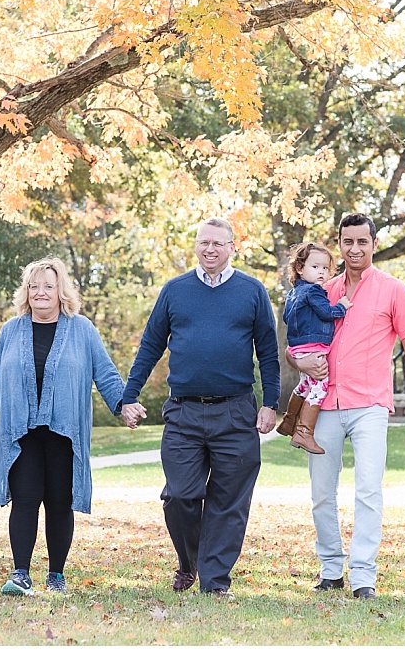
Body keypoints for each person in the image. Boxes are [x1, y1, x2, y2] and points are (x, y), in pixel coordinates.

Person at [119, 217, 280, 597]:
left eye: (218, 243)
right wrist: (130, 394)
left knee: (229, 503)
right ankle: (189, 561)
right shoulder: (175, 290)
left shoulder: (252, 291)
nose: (210, 249)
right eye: (204, 242)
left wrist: (271, 403)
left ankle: (215, 582)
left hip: (236, 411)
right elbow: (151, 345)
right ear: (195, 246)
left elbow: (269, 353)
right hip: (184, 412)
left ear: (232, 248)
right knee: (179, 495)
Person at [288, 213, 405, 599]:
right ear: (339, 245)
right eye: (348, 242)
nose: (354, 249)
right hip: (324, 405)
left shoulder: (393, 290)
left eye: (362, 241)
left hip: (370, 405)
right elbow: (296, 343)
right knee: (322, 492)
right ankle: (330, 569)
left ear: (374, 243)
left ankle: (362, 576)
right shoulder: (321, 290)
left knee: (368, 491)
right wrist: (297, 362)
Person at [0, 257, 126, 596]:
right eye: (34, 286)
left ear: (60, 291)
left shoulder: (82, 329)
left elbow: (106, 373)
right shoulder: (11, 331)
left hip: (64, 434)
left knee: (59, 502)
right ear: (26, 292)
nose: (40, 292)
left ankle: (56, 576)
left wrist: (123, 405)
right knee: (25, 499)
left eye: (48, 286)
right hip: (22, 434)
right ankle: (20, 575)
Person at [278, 242, 352, 454]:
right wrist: (341, 307)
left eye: (325, 268)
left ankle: (288, 421)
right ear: (300, 268)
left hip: (298, 347)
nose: (321, 272)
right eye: (315, 267)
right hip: (313, 347)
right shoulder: (314, 291)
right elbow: (326, 312)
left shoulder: (293, 293)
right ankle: (304, 431)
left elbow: (286, 318)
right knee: (320, 387)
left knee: (304, 385)